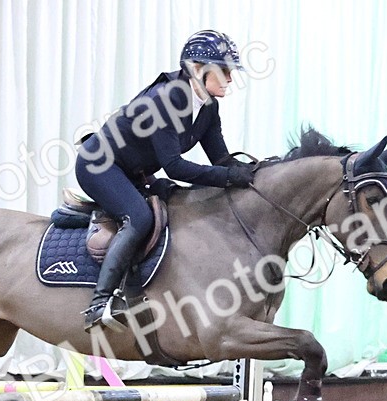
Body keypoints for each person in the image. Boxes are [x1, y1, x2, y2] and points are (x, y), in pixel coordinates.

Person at [75, 29, 256, 331]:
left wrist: (253, 173)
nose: (230, 78)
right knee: (140, 218)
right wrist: (227, 177)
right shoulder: (166, 100)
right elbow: (174, 167)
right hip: (99, 165)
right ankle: (99, 303)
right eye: (224, 71)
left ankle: (136, 287)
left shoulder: (208, 107)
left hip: (133, 170)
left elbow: (221, 160)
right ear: (198, 70)